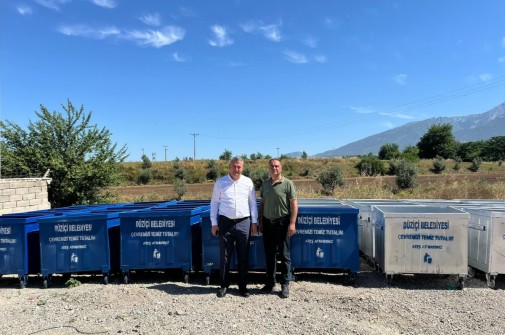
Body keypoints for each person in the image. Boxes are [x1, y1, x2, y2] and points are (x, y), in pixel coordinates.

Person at [210, 156, 258, 298]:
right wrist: (214, 222)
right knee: (225, 256)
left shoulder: (248, 182)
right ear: (229, 167)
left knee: (244, 256)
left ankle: (243, 287)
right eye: (234, 166)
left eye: (239, 167)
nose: (236, 169)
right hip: (226, 222)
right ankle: (224, 286)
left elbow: (252, 203)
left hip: (244, 221)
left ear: (242, 168)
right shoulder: (221, 182)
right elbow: (214, 203)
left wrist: (254, 222)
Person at [259, 158, 298, 298]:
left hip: (282, 224)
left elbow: (294, 204)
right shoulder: (265, 184)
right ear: (269, 168)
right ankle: (270, 283)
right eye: (272, 166)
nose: (274, 168)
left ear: (281, 168)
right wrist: (260, 222)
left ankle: (285, 284)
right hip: (268, 224)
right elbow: (262, 204)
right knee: (269, 256)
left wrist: (292, 223)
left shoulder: (288, 184)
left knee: (284, 255)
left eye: (276, 166)